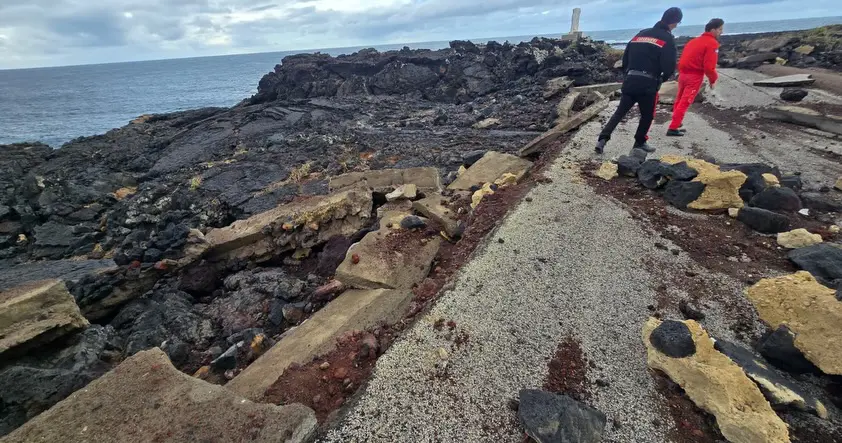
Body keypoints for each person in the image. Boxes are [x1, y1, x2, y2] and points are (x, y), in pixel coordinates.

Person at [595, 7, 680, 154]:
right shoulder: (667, 38)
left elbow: (626, 58)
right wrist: (661, 80)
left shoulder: (640, 34)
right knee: (647, 115)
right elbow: (669, 66)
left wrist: (628, 74)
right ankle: (639, 142)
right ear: (675, 22)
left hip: (630, 80)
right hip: (648, 83)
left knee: (619, 112)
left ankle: (602, 140)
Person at [667, 18, 724, 136]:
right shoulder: (712, 43)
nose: (721, 32)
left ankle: (676, 123)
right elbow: (709, 67)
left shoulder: (693, 41)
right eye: (720, 29)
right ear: (712, 30)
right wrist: (713, 79)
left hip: (683, 74)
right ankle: (673, 128)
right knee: (685, 102)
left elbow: (683, 59)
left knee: (679, 99)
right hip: (694, 76)